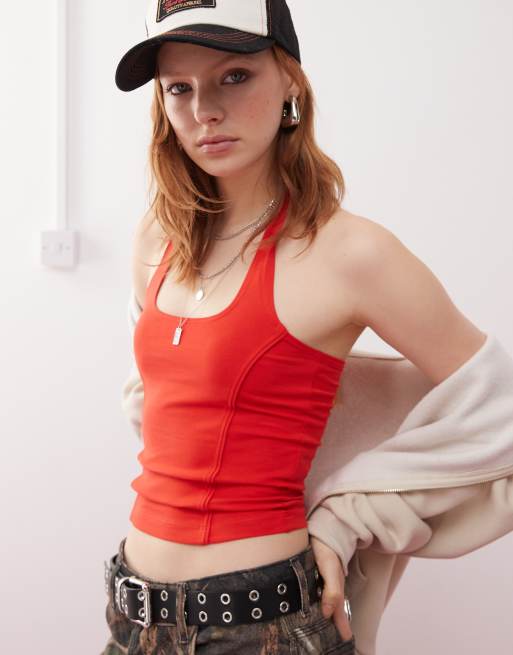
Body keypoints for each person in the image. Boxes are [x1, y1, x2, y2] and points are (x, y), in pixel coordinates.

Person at [103, 1, 494, 654]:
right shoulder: (157, 240)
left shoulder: (350, 253)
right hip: (131, 618)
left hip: (261, 629)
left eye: (233, 77)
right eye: (179, 88)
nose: (204, 110)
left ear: (289, 80)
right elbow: (169, 412)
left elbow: (499, 405)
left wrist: (349, 517)